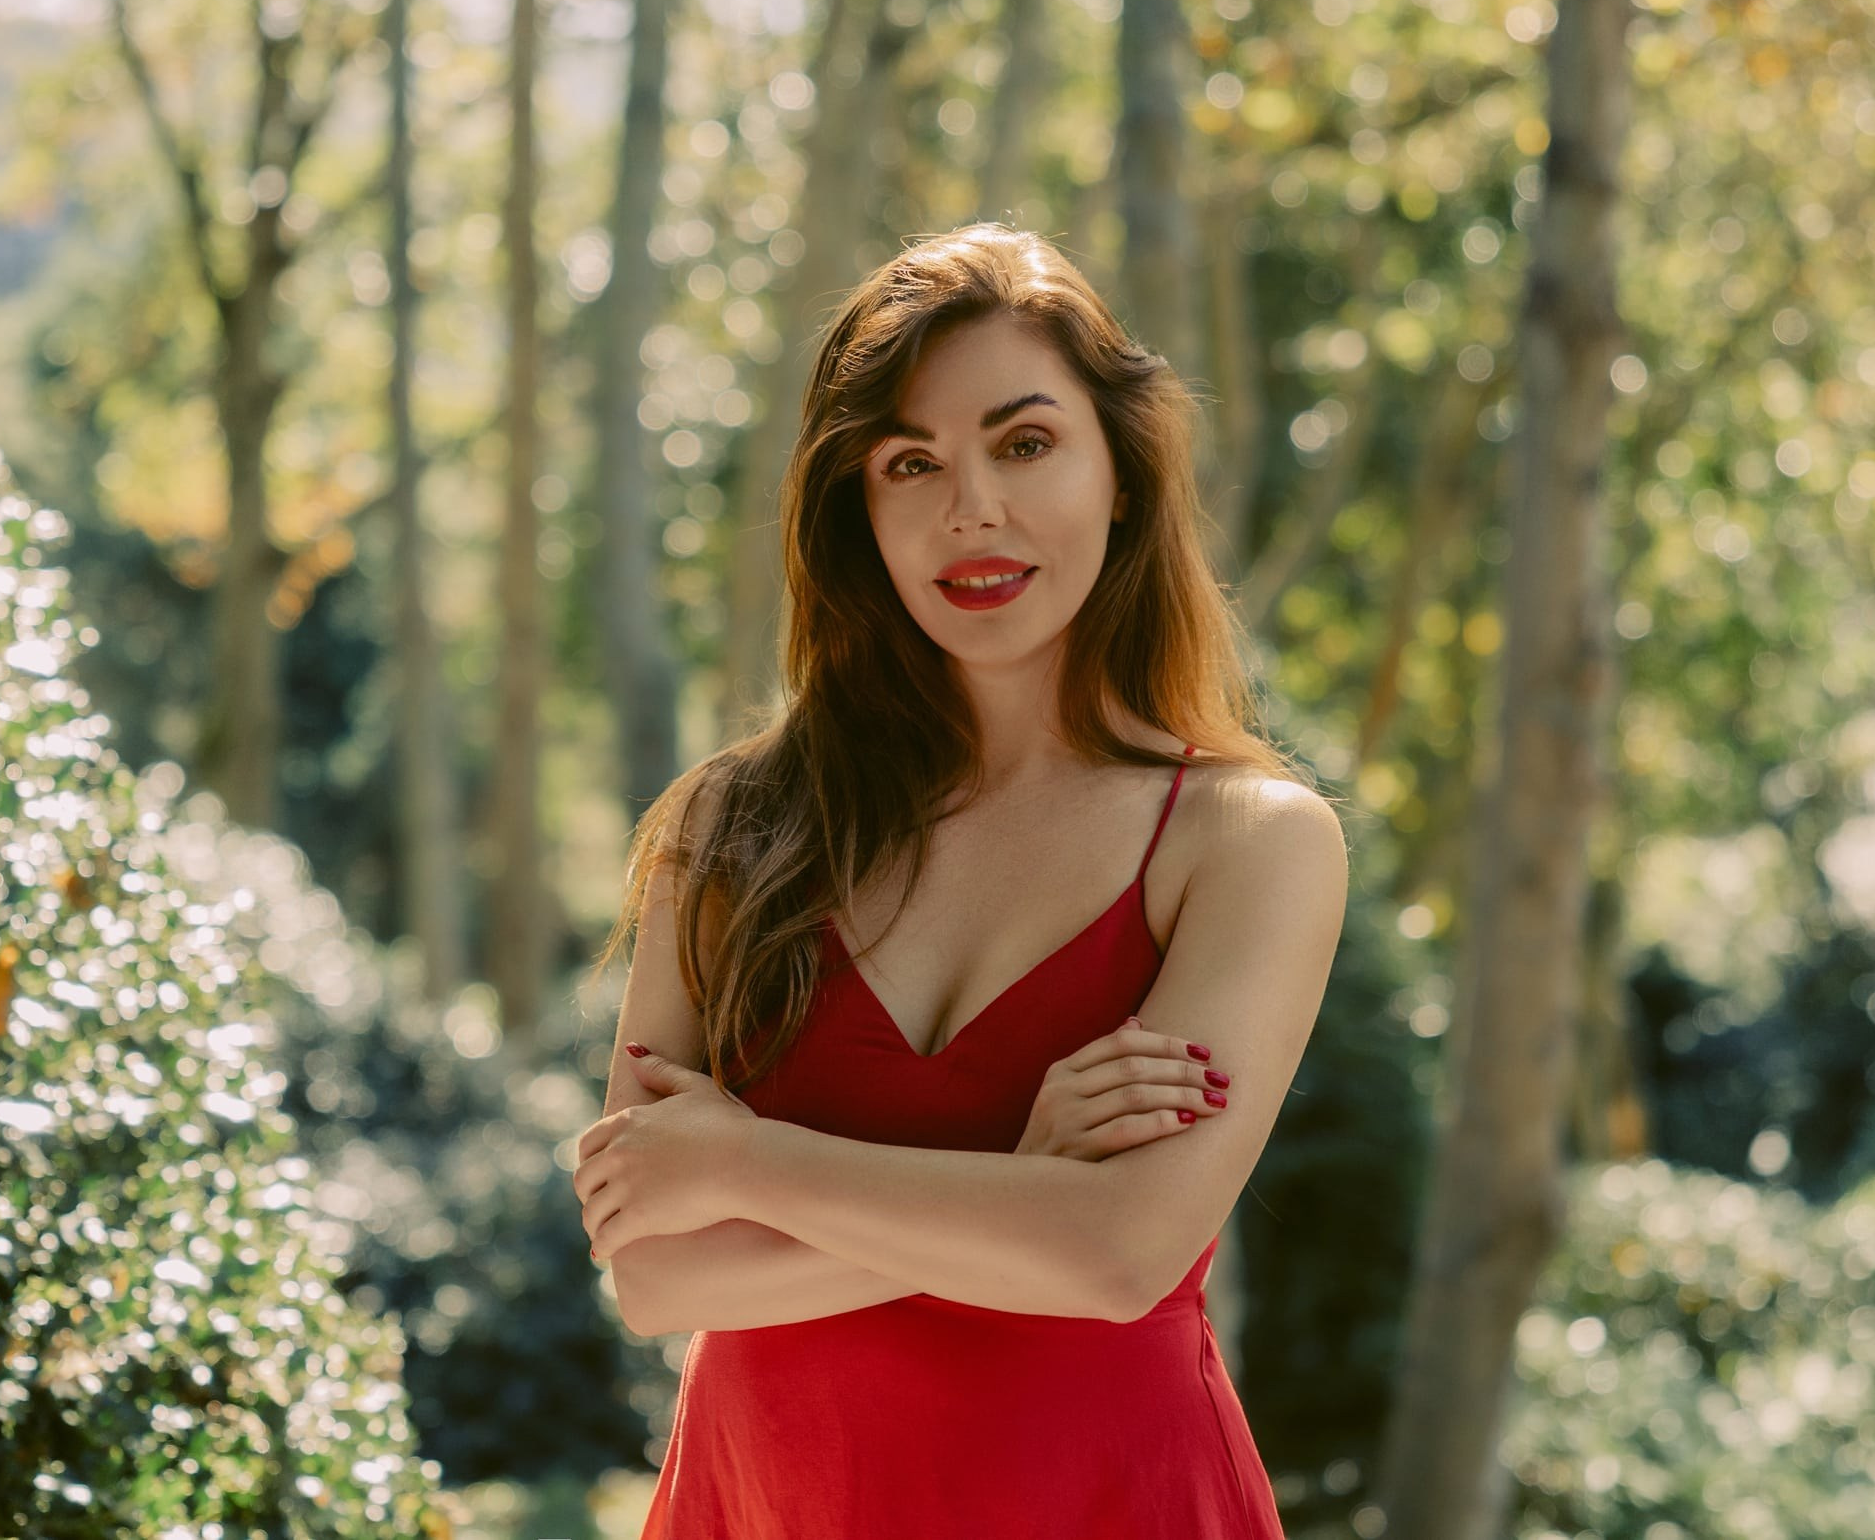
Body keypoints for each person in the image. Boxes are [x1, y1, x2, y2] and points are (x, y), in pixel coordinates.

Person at [575, 222, 1350, 1538]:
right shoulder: (733, 826)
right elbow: (653, 1275)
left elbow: (1114, 1258)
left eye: (1025, 442)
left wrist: (745, 1162)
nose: (971, 506)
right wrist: (1019, 1180)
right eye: (910, 464)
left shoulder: (1251, 841)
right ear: (857, 512)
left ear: (1121, 472)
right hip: (767, 1506)